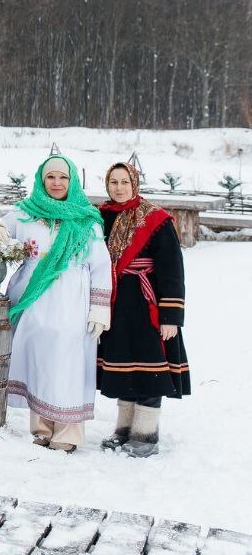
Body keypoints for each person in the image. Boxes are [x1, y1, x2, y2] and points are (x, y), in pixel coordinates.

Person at [3, 154, 112, 452]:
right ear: (41, 179)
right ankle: (41, 428)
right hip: (33, 301)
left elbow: (101, 266)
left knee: (69, 366)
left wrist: (101, 309)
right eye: (51, 177)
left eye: (63, 177)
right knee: (39, 362)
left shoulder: (85, 220)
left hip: (72, 303)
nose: (56, 183)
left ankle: (67, 434)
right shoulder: (25, 213)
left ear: (72, 181)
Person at [97, 162, 189, 457]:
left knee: (150, 369)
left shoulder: (156, 219)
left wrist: (171, 316)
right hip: (116, 305)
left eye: (125, 182)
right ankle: (123, 429)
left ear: (134, 184)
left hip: (147, 305)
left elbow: (173, 271)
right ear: (107, 185)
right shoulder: (100, 217)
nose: (120, 188)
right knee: (123, 367)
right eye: (114, 182)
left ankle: (146, 434)